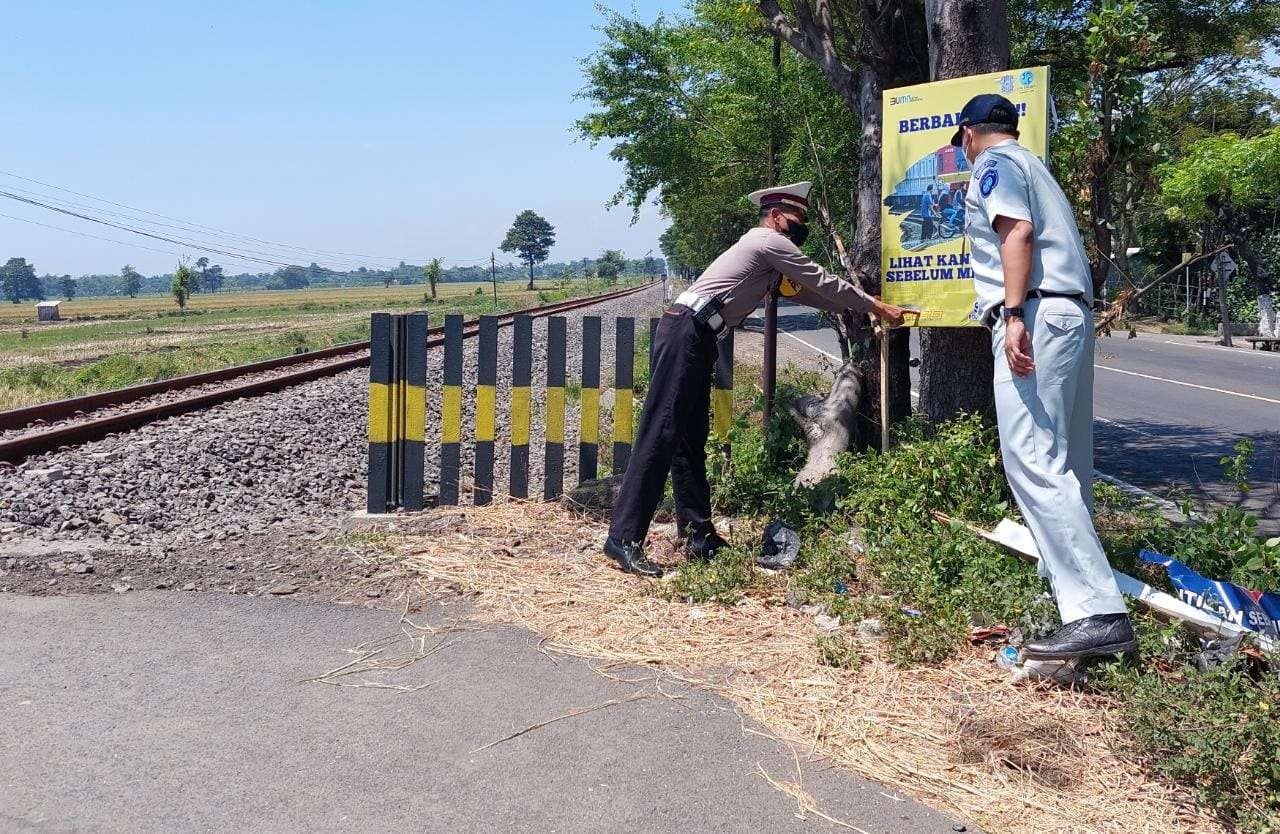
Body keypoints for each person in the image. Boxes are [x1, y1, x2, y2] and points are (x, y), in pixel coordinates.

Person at [603, 182, 907, 576]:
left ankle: (699, 536)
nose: (800, 230)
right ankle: (623, 537)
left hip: (698, 335)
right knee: (661, 431)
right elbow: (821, 279)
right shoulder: (767, 242)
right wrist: (875, 305)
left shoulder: (768, 259)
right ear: (776, 216)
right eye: (796, 221)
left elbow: (810, 293)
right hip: (687, 332)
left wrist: (860, 309)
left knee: (688, 439)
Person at [953, 93, 1137, 662]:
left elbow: (1016, 235)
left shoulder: (994, 164)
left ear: (967, 133)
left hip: (1034, 313)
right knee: (1065, 464)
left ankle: (1097, 613)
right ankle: (1074, 602)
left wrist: (1011, 315)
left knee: (1031, 459)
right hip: (1067, 312)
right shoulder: (1037, 166)